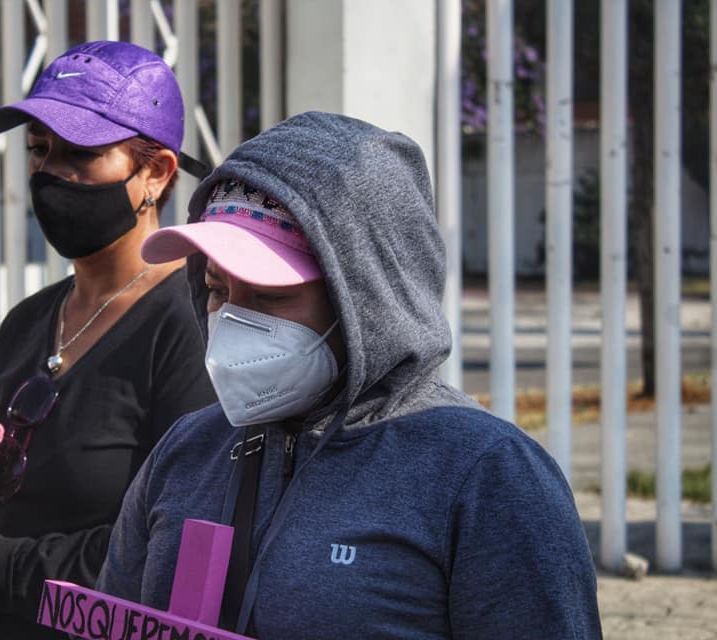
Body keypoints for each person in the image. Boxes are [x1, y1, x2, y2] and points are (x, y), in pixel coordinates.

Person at [96, 111, 602, 638]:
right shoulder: (186, 453)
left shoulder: (485, 476)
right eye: (219, 291)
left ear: (365, 298)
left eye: (270, 296)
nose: (232, 323)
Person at [0, 41, 216, 640]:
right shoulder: (27, 322)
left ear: (157, 172)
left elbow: (175, 548)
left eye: (82, 155)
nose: (51, 176)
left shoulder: (192, 324)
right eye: (39, 150)